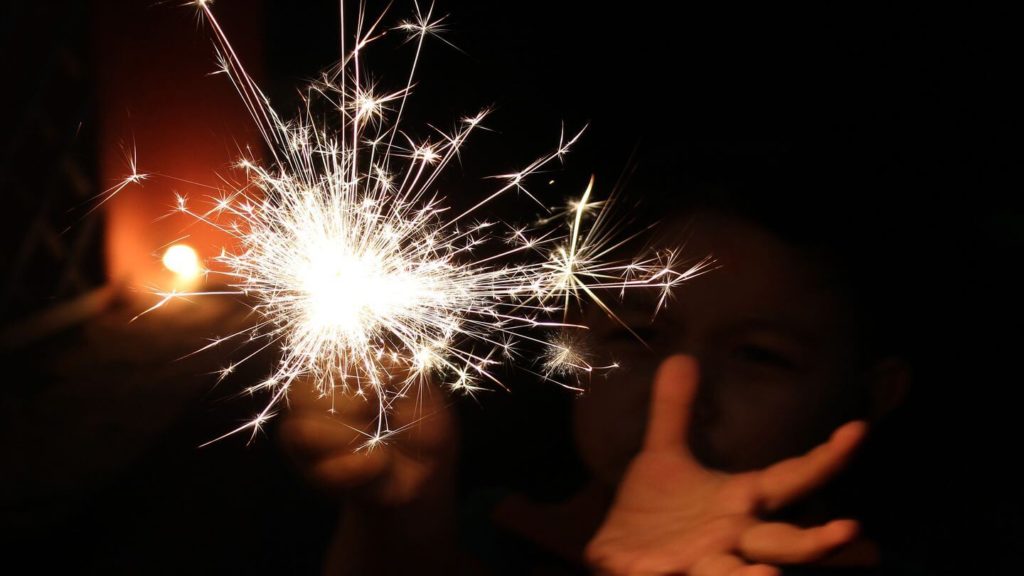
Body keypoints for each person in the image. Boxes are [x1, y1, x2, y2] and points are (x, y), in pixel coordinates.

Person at [278, 156, 916, 575]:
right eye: (639, 336)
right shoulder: (486, 535)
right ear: (572, 340)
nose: (680, 389)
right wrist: (396, 526)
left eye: (759, 356)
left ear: (873, 392)